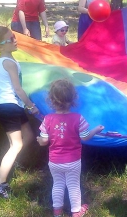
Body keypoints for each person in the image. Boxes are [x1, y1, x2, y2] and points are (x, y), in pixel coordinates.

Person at [0, 26, 39, 199]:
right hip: (9, 107)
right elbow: (18, 89)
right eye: (10, 39)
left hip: (13, 106)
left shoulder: (6, 59)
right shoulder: (8, 62)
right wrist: (30, 105)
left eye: (14, 36)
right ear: (0, 47)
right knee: (16, 145)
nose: (15, 40)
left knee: (28, 136)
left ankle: (12, 162)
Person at [37, 79, 104, 217]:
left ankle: (57, 212)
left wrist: (39, 140)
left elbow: (43, 141)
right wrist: (96, 130)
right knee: (73, 185)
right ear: (72, 98)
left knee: (58, 184)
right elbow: (85, 137)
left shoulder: (48, 119)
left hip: (54, 161)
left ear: (51, 99)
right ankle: (76, 212)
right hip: (73, 161)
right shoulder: (78, 118)